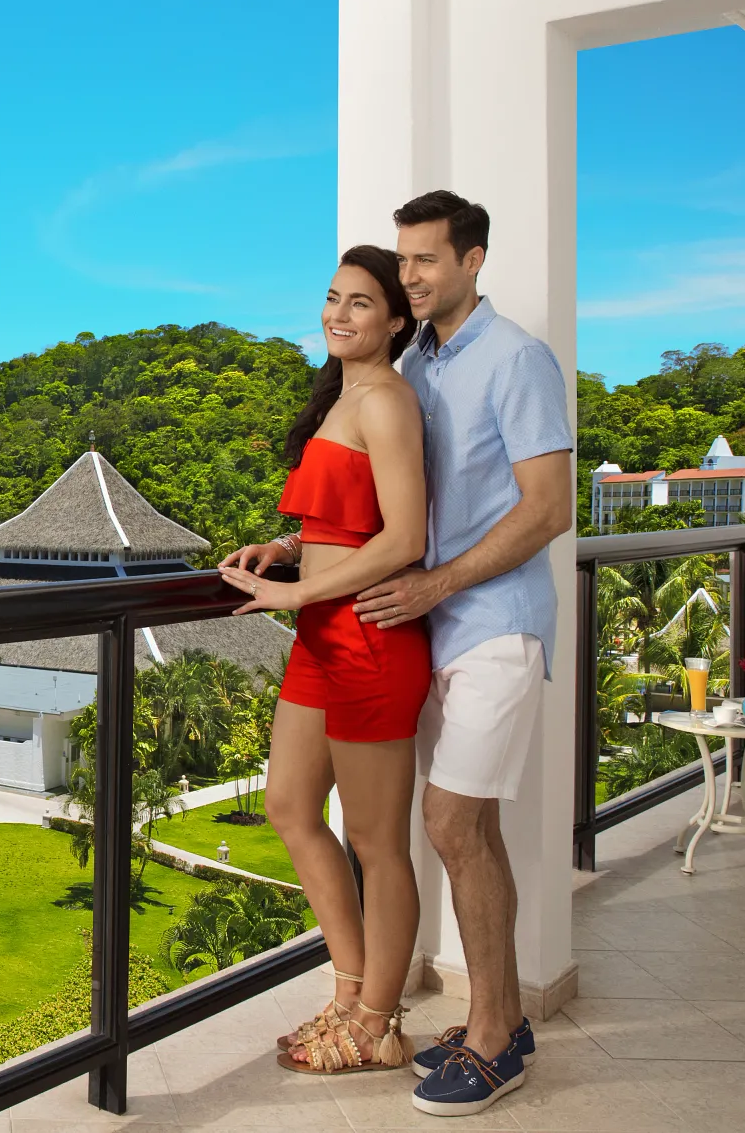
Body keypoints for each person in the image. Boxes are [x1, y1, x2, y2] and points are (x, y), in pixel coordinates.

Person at [352, 190, 574, 1117]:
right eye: (403, 262)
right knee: (470, 829)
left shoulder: (518, 359)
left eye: (427, 261)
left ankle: (493, 1042)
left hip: (496, 623)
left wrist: (440, 586)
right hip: (431, 629)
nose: (410, 276)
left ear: (473, 260)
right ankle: (505, 1016)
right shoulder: (416, 364)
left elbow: (549, 507)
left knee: (446, 823)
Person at [219, 244, 431, 1077]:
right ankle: (350, 992)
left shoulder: (386, 400)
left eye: (362, 304)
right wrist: (286, 547)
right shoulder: (341, 400)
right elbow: (347, 519)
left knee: (378, 843)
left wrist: (297, 593)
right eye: (333, 299)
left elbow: (406, 538)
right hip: (321, 635)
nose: (339, 314)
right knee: (290, 804)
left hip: (371, 635)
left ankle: (379, 1021)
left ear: (397, 322)